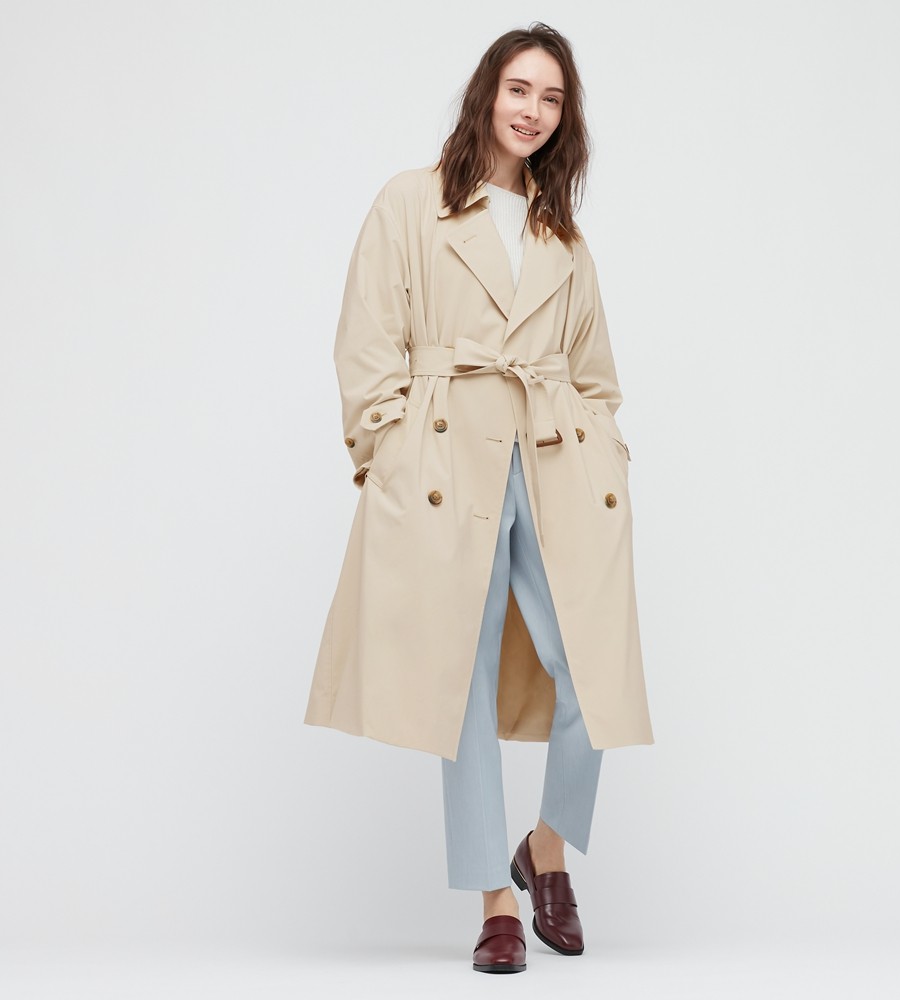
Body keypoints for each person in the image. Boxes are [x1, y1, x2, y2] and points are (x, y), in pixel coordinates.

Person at [304, 22, 654, 974]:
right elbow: (366, 339)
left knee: (591, 669)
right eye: (519, 89)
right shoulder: (411, 202)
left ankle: (546, 848)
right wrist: (386, 448)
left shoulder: (563, 239)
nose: (532, 111)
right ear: (486, 93)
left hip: (553, 463)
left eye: (552, 98)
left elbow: (596, 378)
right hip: (444, 462)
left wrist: (607, 460)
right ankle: (495, 900)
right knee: (459, 673)